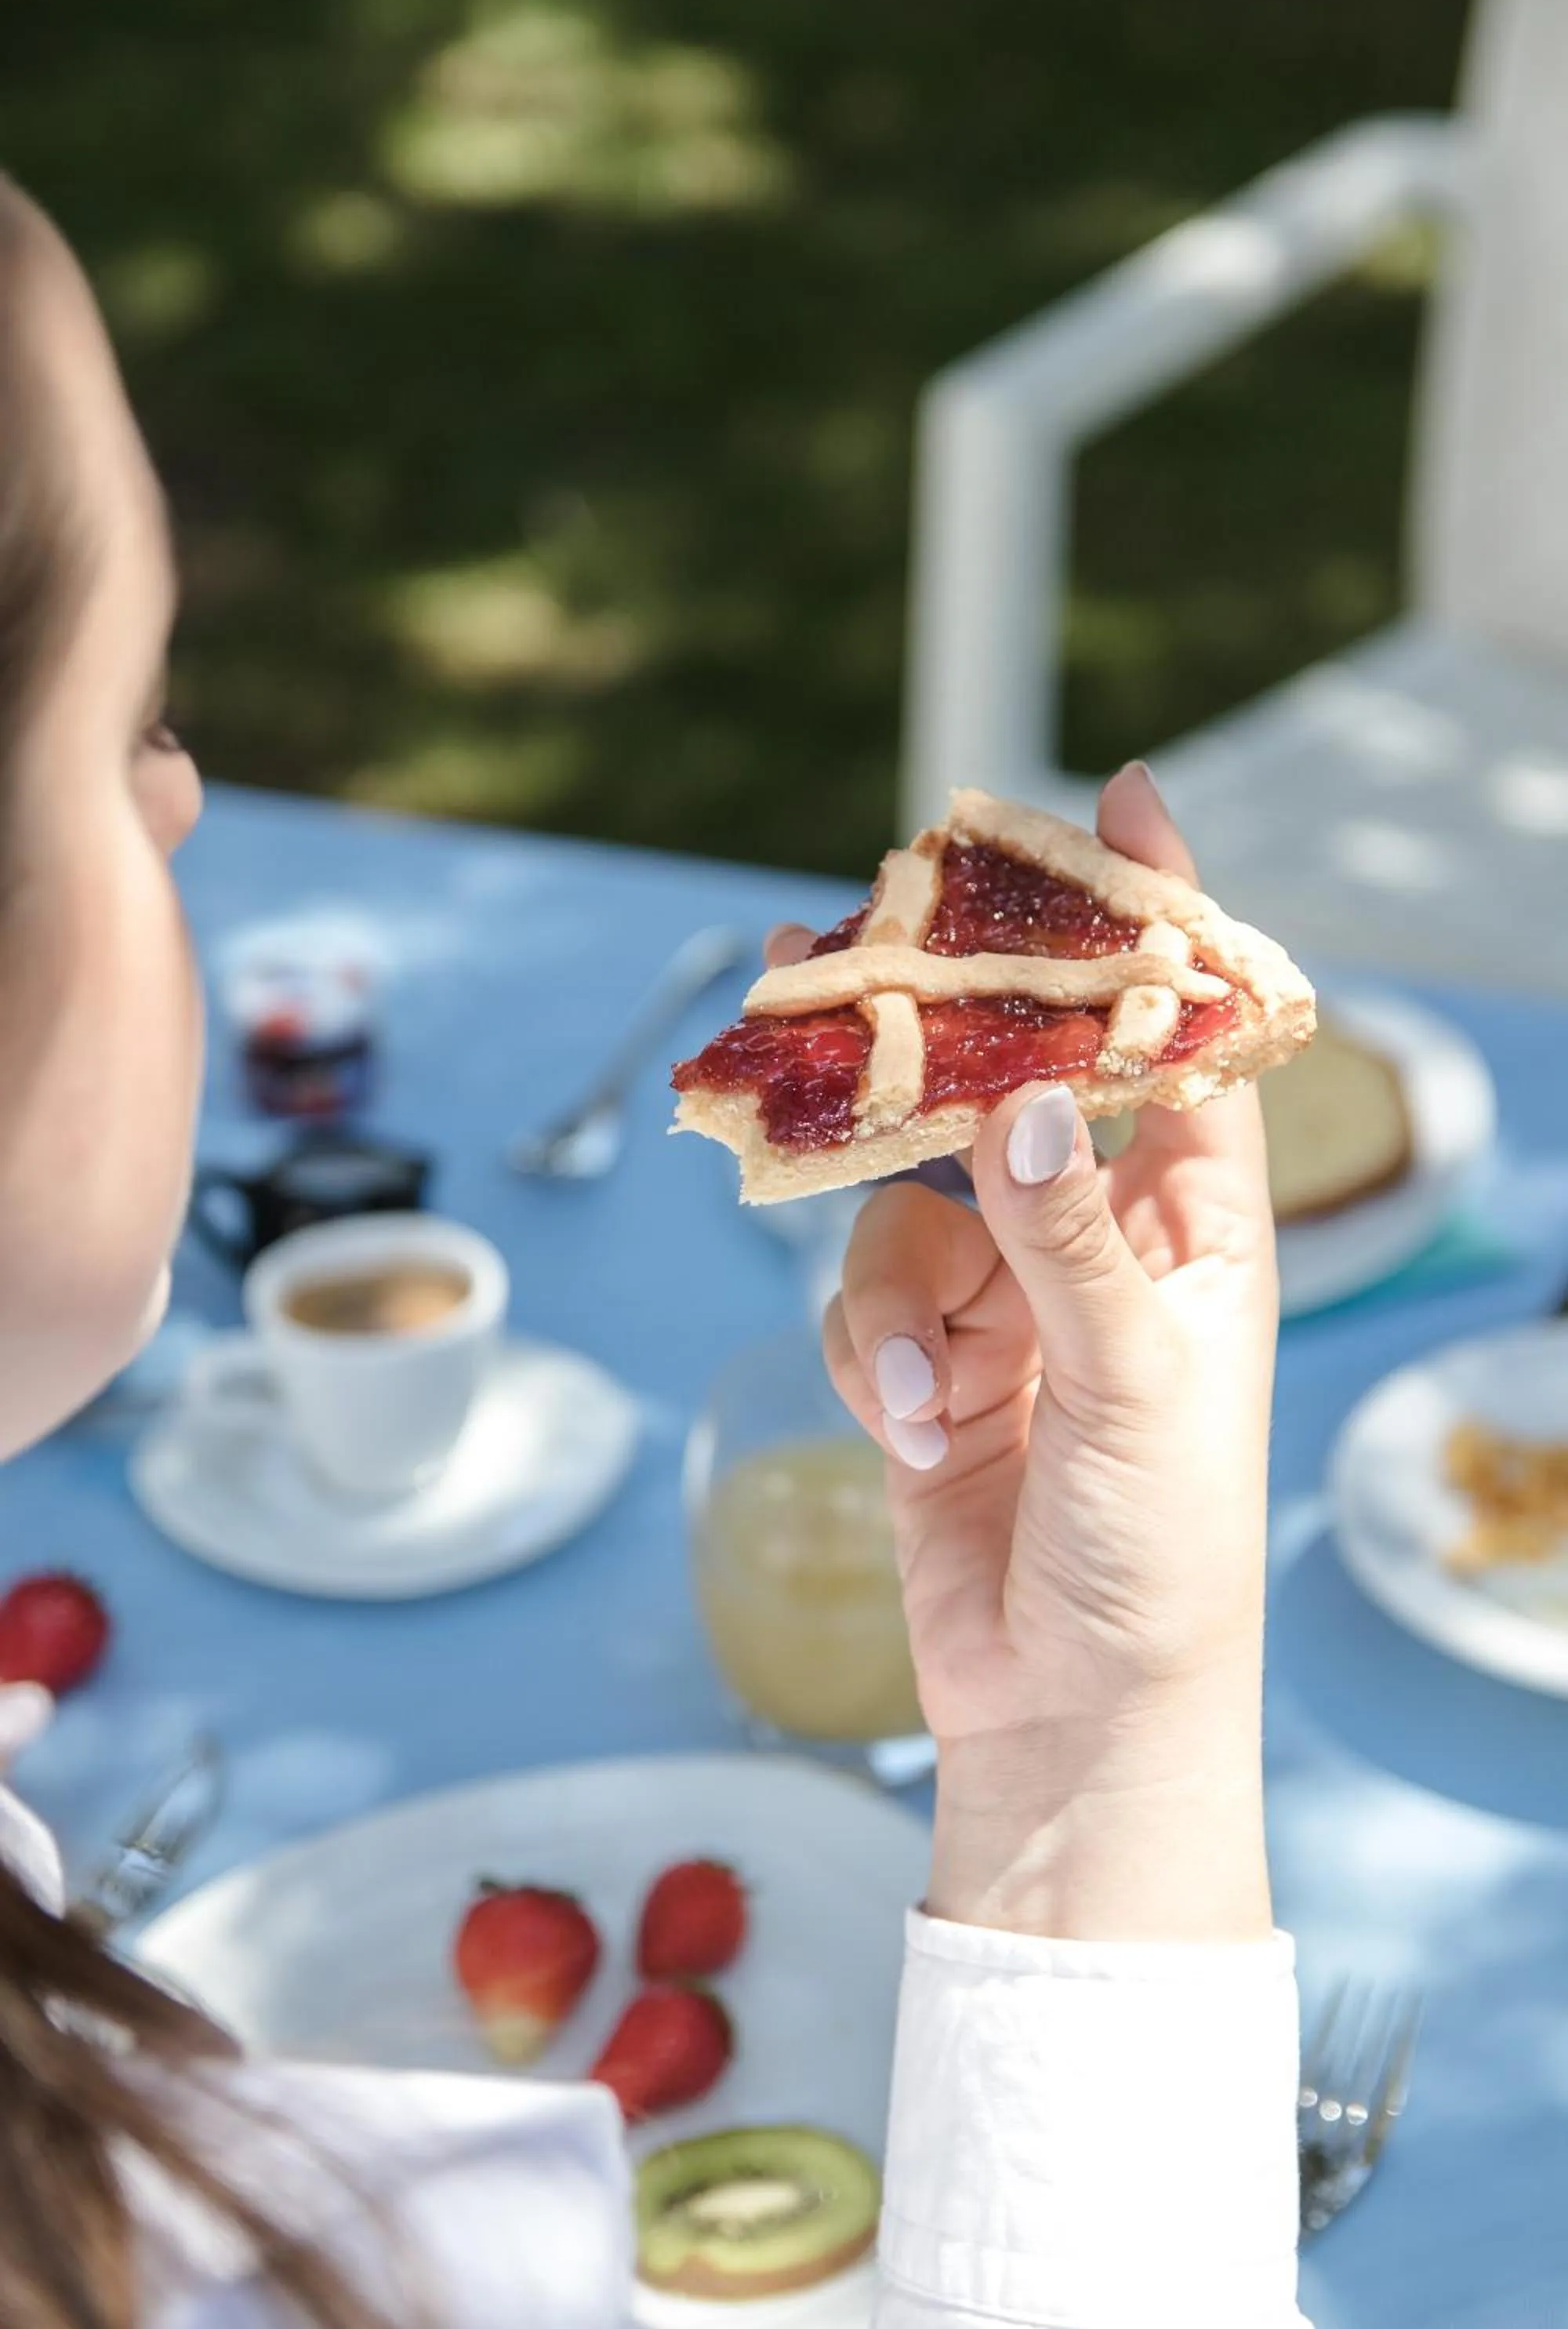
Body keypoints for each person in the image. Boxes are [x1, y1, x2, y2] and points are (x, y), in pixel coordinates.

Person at [0, 166, 1308, 2327]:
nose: (184, 806)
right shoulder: (334, 2264)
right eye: (129, 719)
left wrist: (1094, 1720)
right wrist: (1115, 1772)